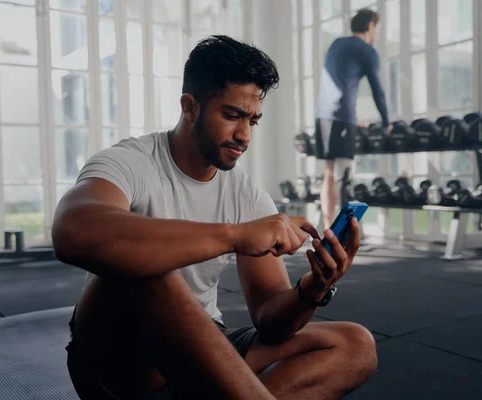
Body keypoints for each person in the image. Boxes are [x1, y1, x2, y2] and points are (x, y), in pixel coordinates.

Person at [53, 35, 377, 400]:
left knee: (355, 345)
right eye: (232, 115)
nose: (244, 135)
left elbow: (270, 318)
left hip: (206, 346)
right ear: (189, 107)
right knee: (147, 264)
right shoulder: (130, 161)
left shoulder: (246, 194)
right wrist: (236, 235)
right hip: (120, 359)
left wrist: (314, 288)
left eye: (253, 120)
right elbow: (73, 230)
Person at [315, 8, 390, 228]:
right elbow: (378, 91)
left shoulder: (337, 44)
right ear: (370, 26)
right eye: (378, 29)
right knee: (345, 174)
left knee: (329, 172)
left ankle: (329, 229)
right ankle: (345, 233)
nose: (377, 34)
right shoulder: (367, 50)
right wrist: (387, 122)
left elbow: (338, 80)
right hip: (341, 116)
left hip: (323, 114)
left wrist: (351, 118)